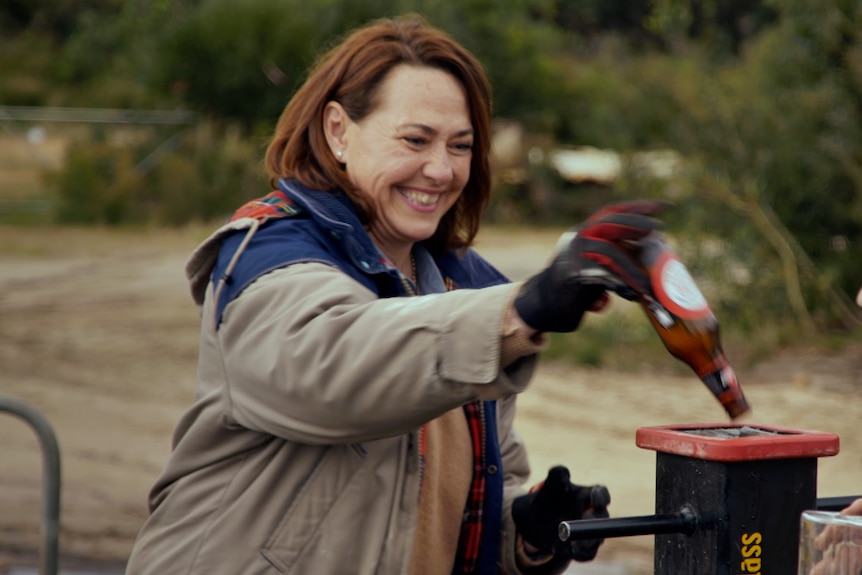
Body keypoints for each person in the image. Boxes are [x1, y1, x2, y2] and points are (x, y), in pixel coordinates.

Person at [125, 14, 665, 575]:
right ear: (338, 131)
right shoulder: (267, 255)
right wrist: (520, 310)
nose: (440, 169)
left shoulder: (471, 287)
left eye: (461, 145)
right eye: (415, 140)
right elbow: (334, 368)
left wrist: (526, 529)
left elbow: (445, 510)